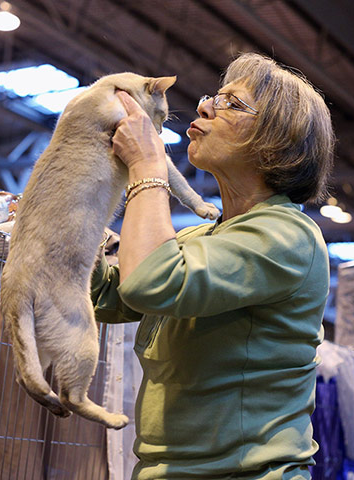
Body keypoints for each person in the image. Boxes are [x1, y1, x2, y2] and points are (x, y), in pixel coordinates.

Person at [91, 52, 335, 479]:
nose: (204, 106)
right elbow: (107, 295)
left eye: (233, 104)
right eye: (214, 97)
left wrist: (148, 166)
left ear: (277, 142)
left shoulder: (287, 236)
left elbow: (150, 281)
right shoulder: (204, 237)